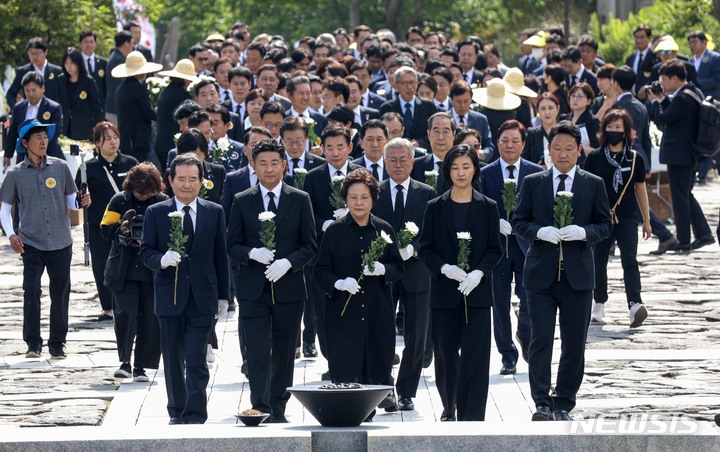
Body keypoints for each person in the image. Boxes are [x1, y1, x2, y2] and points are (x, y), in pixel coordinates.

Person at [512, 120, 612, 421]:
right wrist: (539, 232)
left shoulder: (593, 183)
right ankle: (541, 401)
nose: (563, 154)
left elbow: (605, 224)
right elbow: (519, 220)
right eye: (557, 148)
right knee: (540, 340)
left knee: (574, 344)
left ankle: (564, 401)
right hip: (540, 276)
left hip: (578, 277)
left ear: (579, 151)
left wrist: (583, 232)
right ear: (549, 149)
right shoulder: (533, 181)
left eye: (569, 148)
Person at [227, 139, 317, 423]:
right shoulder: (243, 200)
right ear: (253, 166)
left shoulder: (299, 198)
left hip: (289, 287)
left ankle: (279, 406)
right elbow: (232, 244)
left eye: (274, 163)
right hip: (253, 289)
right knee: (256, 349)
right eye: (262, 163)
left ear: (284, 165)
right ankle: (260, 404)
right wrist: (252, 252)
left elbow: (310, 245)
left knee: (285, 349)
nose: (269, 169)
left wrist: (288, 262)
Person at [139, 153, 230, 425]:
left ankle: (195, 412)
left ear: (202, 181)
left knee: (196, 358)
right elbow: (145, 251)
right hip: (169, 297)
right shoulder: (156, 212)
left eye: (193, 179)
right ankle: (177, 411)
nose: (187, 185)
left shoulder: (214, 212)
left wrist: (224, 295)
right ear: (170, 180)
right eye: (181, 179)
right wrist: (161, 260)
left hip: (203, 298)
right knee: (174, 359)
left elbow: (220, 256)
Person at [418, 144, 502, 421]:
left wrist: (479, 272)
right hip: (444, 293)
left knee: (476, 356)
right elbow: (426, 248)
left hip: (477, 294)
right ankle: (449, 405)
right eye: (455, 167)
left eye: (466, 166)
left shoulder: (488, 207)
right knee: (444, 354)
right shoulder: (435, 206)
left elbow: (494, 249)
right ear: (447, 171)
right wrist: (444, 268)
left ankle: (473, 413)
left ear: (475, 169)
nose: (461, 172)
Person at [314, 169, 403, 421]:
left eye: (364, 197)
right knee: (346, 377)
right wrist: (339, 283)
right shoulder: (334, 231)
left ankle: (369, 420)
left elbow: (398, 268)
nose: (358, 203)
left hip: (377, 314)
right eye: (353, 197)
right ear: (345, 199)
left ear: (373, 198)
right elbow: (320, 271)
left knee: (374, 374)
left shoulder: (384, 230)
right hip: (343, 317)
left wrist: (383, 269)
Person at [0, 119, 91, 359]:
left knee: (60, 292)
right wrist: (11, 234)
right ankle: (33, 343)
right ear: (25, 143)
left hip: (61, 240)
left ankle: (57, 343)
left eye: (45, 136)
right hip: (31, 241)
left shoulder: (61, 167)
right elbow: (4, 208)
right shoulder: (15, 174)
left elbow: (71, 200)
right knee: (31, 290)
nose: (43, 141)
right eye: (37, 137)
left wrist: (81, 202)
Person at [371, 137, 437, 411]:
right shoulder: (374, 192)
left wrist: (415, 248)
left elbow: (433, 231)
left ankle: (407, 391)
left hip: (417, 272)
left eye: (403, 160)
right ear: (384, 163)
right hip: (385, 273)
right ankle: (385, 388)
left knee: (417, 336)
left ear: (413, 162)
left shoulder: (427, 193)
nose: (398, 165)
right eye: (392, 160)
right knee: (381, 332)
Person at [480, 120, 543, 371]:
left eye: (515, 141)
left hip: (527, 245)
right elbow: (481, 207)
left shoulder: (534, 172)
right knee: (500, 302)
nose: (509, 145)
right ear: (497, 143)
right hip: (497, 248)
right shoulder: (486, 173)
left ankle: (525, 334)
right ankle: (507, 355)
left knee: (528, 297)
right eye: (505, 140)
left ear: (523, 144)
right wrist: (495, 222)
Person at [583, 109, 652, 326]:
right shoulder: (594, 157)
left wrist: (647, 220)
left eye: (618, 128)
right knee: (599, 260)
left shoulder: (634, 159)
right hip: (600, 218)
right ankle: (599, 302)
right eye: (610, 127)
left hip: (627, 216)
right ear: (604, 130)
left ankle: (635, 304)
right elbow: (586, 189)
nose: (614, 131)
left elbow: (640, 189)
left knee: (629, 260)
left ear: (627, 131)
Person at [101, 162, 166, 381]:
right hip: (123, 269)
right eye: (138, 192)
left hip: (151, 270)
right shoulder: (119, 200)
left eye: (147, 192)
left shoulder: (163, 203)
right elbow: (104, 229)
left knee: (150, 316)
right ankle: (125, 361)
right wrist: (121, 227)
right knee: (125, 314)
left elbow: (171, 234)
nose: (142, 196)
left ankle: (142, 366)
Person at [648, 60, 715, 252]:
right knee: (685, 194)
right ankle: (703, 234)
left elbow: (663, 119)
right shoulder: (692, 92)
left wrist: (655, 102)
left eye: (664, 80)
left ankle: (684, 240)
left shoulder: (682, 98)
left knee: (680, 197)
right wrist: (662, 99)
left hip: (680, 154)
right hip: (688, 152)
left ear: (675, 78)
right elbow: (673, 113)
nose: (662, 84)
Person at [79, 122, 139, 321]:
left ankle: (130, 303)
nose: (113, 142)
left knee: (130, 262)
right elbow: (76, 196)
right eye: (107, 138)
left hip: (128, 224)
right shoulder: (88, 168)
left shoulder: (130, 162)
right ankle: (108, 307)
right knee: (102, 265)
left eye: (116, 137)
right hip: (100, 226)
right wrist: (83, 199)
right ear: (97, 143)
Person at [3, 72, 64, 165]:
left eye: (34, 90)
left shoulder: (53, 107)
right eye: (27, 90)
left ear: (43, 88)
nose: (30, 94)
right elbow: (13, 132)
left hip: (49, 154)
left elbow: (56, 130)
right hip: (24, 156)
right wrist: (7, 154)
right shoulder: (18, 107)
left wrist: (37, 145)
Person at [112, 51, 162, 162]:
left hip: (125, 138)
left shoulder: (121, 88)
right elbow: (148, 112)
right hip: (137, 140)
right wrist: (163, 115)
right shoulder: (139, 89)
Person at [155, 59, 198, 172]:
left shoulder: (165, 91)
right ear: (185, 79)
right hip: (173, 144)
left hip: (160, 141)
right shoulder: (183, 96)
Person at [379, 67, 438, 149]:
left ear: (417, 83)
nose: (409, 87)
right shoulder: (387, 107)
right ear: (396, 85)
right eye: (404, 83)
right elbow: (382, 133)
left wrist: (420, 142)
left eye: (412, 82)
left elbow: (435, 131)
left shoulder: (428, 106)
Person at [57, 47, 103, 141]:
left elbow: (96, 108)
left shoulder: (88, 81)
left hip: (83, 128)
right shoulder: (60, 80)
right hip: (65, 128)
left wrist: (98, 128)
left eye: (72, 63)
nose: (69, 66)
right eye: (66, 63)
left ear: (78, 63)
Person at [6, 37, 63, 109]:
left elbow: (63, 96)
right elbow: (10, 94)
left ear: (46, 52)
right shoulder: (23, 71)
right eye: (31, 53)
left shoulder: (57, 71)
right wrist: (17, 110)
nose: (35, 56)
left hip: (51, 114)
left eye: (38, 53)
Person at [448, 81, 494, 161]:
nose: (462, 105)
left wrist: (482, 153)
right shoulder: (445, 119)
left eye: (466, 101)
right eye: (458, 102)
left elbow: (489, 146)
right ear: (451, 100)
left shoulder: (481, 119)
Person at [522, 93, 560, 166]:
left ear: (557, 109)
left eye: (550, 108)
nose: (547, 112)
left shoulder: (567, 132)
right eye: (543, 108)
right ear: (537, 111)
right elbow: (524, 163)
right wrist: (537, 169)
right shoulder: (531, 133)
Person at [559, 82, 599, 151]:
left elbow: (597, 149)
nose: (575, 99)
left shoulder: (592, 121)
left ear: (589, 101)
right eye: (573, 96)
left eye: (580, 96)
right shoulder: (563, 118)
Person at [105, 31, 134, 125]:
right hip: (116, 107)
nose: (133, 46)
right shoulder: (118, 60)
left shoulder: (117, 57)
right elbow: (123, 82)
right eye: (132, 42)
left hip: (115, 106)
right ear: (126, 43)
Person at [78, 29, 108, 103]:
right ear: (80, 44)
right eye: (86, 42)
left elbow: (106, 87)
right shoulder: (76, 62)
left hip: (100, 104)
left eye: (91, 42)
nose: (89, 45)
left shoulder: (103, 63)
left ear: (95, 43)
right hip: (81, 104)